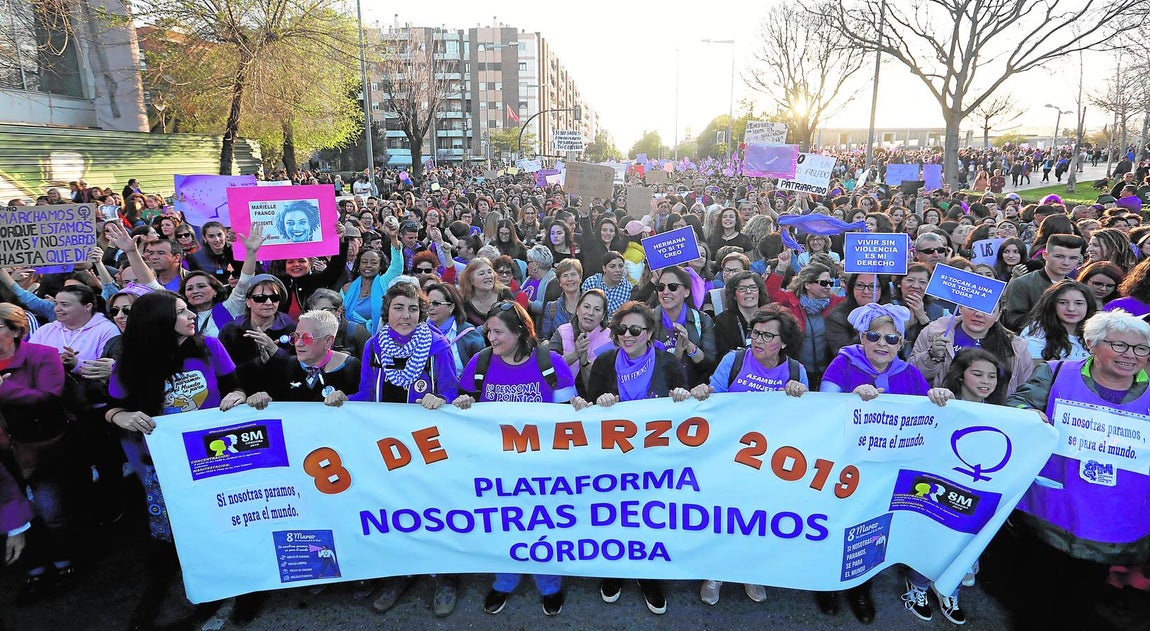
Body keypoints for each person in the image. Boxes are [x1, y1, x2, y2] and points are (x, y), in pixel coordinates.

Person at [104, 291, 249, 626]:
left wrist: (238, 395)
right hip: (162, 462)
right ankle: (191, 582)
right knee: (176, 530)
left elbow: (234, 386)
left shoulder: (210, 348)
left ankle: (232, 580)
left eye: (188, 309)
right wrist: (118, 417)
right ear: (158, 323)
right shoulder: (130, 363)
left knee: (221, 518)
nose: (192, 315)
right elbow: (111, 406)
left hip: (215, 455)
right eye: (182, 311)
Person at [1006, 311, 1150, 630]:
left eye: (1141, 349)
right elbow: (1015, 405)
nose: (1130, 356)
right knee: (1035, 599)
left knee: (1079, 603)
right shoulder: (1057, 373)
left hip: (1110, 522)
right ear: (1092, 345)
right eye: (1120, 346)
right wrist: (1027, 414)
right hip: (1050, 514)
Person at [452, 302, 574, 617]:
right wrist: (462, 402)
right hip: (495, 467)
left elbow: (569, 420)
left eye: (498, 331)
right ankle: (504, 580)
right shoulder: (479, 364)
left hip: (542, 466)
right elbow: (462, 413)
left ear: (520, 331)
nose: (490, 337)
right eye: (488, 330)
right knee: (502, 524)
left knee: (542, 526)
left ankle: (549, 583)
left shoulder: (551, 363)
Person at [571, 301, 694, 615]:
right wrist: (596, 402)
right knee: (615, 515)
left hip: (655, 459)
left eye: (635, 329)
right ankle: (615, 568)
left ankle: (647, 575)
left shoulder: (667, 363)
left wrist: (681, 397)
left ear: (649, 333)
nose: (627, 335)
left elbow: (686, 406)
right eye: (621, 329)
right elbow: (587, 405)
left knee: (649, 517)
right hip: (612, 458)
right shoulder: (603, 362)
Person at [817, 303, 930, 624]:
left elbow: (928, 414)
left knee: (871, 529)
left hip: (885, 471)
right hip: (844, 466)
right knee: (836, 524)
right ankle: (826, 585)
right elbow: (822, 409)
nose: (882, 343)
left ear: (901, 343)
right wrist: (851, 395)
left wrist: (936, 396)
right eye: (874, 336)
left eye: (891, 338)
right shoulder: (843, 364)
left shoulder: (909, 373)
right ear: (862, 338)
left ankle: (860, 588)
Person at [903, 348, 1008, 624]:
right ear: (961, 376)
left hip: (974, 492)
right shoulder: (942, 402)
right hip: (938, 488)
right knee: (931, 539)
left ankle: (950, 588)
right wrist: (935, 397)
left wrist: (1035, 421)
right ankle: (918, 586)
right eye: (977, 374)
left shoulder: (1004, 415)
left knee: (963, 540)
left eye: (991, 376)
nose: (985, 381)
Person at [0, 303, 79, 604]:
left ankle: (64, 565)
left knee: (50, 512)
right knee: (16, 517)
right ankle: (34, 570)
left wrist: (4, 390)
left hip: (40, 453)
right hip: (4, 460)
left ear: (16, 330)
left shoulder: (42, 356)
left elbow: (49, 400)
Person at [243, 309, 360, 407]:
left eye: (307, 338)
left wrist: (348, 400)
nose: (298, 343)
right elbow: (269, 397)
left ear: (328, 341)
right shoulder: (286, 365)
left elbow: (364, 408)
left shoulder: (352, 367)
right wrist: (261, 397)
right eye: (296, 336)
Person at [910, 303, 1034, 394]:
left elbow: (1025, 390)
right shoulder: (934, 333)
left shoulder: (1016, 347)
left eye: (988, 309)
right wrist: (932, 356)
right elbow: (911, 377)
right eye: (972, 307)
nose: (978, 314)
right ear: (960, 308)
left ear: (998, 315)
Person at [767, 252, 843, 388]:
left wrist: (846, 277)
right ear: (807, 284)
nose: (828, 287)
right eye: (823, 283)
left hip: (828, 370)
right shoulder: (791, 301)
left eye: (831, 283)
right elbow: (770, 293)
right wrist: (780, 269)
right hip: (798, 372)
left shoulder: (835, 303)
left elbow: (857, 299)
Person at [218, 275, 296, 388]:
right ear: (248, 302)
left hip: (283, 396)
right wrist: (258, 362)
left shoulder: (292, 329)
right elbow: (225, 372)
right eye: (260, 298)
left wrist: (276, 352)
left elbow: (300, 368)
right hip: (244, 395)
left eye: (274, 298)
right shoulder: (230, 331)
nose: (269, 302)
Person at [1002, 234, 1086, 332]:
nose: (1066, 263)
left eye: (1073, 258)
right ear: (1045, 255)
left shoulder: (1078, 288)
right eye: (1059, 257)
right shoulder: (1022, 284)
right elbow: (1013, 321)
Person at [649, 265, 716, 386]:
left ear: (686, 291)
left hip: (694, 391)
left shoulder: (702, 320)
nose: (665, 292)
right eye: (661, 287)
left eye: (672, 287)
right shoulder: (648, 321)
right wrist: (677, 353)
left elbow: (710, 365)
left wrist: (689, 345)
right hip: (659, 392)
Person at [551, 289, 612, 395]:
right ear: (578, 308)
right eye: (586, 307)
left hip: (595, 399)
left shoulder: (609, 339)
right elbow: (548, 366)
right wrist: (575, 354)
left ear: (603, 315)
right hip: (562, 397)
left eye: (597, 309)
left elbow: (603, 380)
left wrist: (585, 362)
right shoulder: (562, 331)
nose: (590, 313)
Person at [1020, 280, 1096, 363]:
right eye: (1063, 303)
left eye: (1079, 303)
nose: (1071, 309)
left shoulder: (1096, 332)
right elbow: (1035, 371)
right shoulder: (1037, 332)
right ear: (1052, 304)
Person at [424, 282, 484, 377]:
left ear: (451, 307)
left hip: (459, 389)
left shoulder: (468, 334)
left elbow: (480, 368)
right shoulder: (420, 331)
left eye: (436, 303)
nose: (430, 307)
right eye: (428, 303)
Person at [713, 271, 768, 360]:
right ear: (734, 295)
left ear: (759, 292)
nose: (748, 292)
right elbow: (722, 356)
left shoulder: (771, 317)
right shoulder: (723, 321)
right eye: (742, 289)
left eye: (753, 287)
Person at [540, 258, 584, 340]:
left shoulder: (591, 304)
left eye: (573, 274)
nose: (569, 279)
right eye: (565, 275)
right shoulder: (551, 307)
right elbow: (544, 337)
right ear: (559, 281)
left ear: (580, 278)